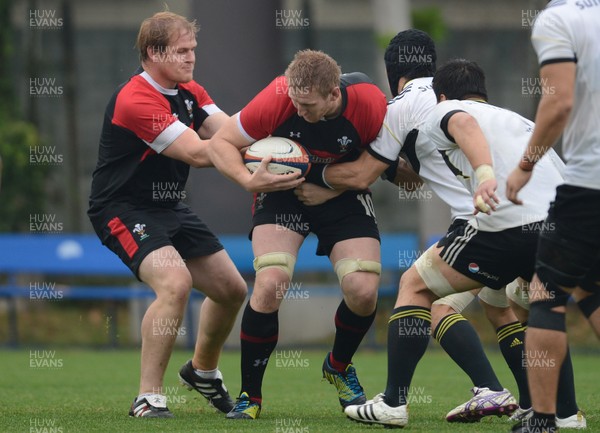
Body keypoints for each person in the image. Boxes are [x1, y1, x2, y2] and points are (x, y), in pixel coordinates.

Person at [338, 58, 567, 428]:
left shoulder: (443, 108)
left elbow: (461, 123)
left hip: (502, 223)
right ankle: (558, 412)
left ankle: (394, 402)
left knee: (417, 287)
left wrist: (485, 175)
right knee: (536, 309)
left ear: (440, 93)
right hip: (563, 227)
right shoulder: (514, 119)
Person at [208, 49, 387, 419]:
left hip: (343, 196)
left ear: (333, 95)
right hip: (281, 194)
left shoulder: (370, 103)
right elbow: (221, 143)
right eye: (295, 102)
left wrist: (329, 186)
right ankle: (249, 397)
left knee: (364, 291)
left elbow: (372, 168)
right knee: (271, 280)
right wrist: (248, 179)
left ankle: (338, 366)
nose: (299, 111)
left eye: (307, 105)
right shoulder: (276, 97)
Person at [87, 11, 247, 418]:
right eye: (181, 50)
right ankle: (148, 396)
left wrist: (271, 145)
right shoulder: (136, 99)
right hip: (122, 208)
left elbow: (226, 131)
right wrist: (251, 170)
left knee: (231, 289)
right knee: (175, 283)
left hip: (169, 206)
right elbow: (196, 150)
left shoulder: (190, 89)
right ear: (153, 52)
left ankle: (202, 371)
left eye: (193, 49)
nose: (191, 57)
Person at [506, 1, 600, 432]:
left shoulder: (559, 18)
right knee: (591, 286)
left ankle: (543, 419)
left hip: (590, 181)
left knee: (547, 291)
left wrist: (525, 166)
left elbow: (559, 102)